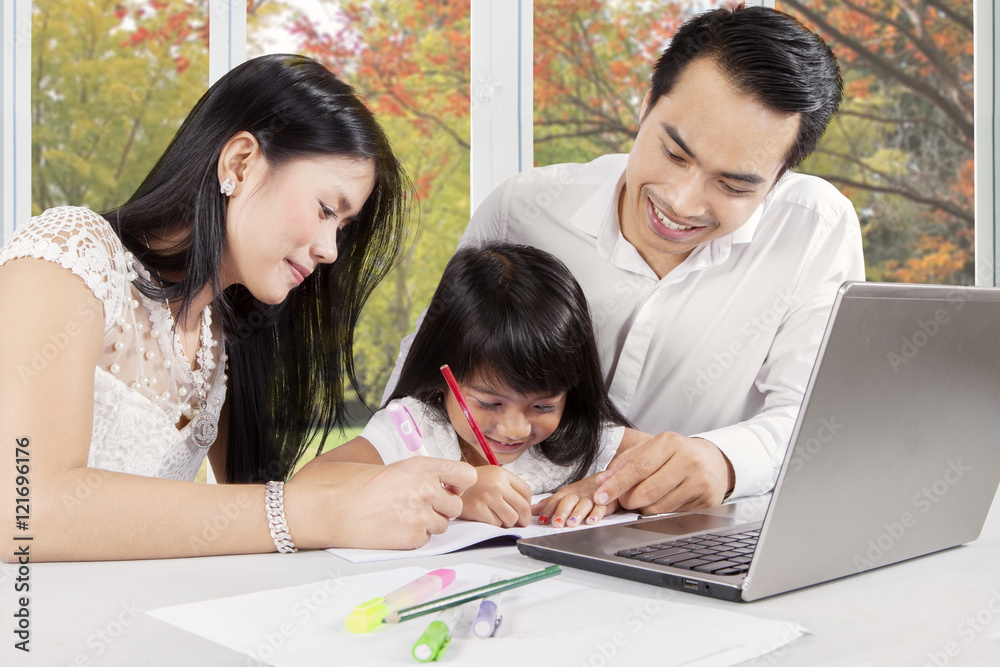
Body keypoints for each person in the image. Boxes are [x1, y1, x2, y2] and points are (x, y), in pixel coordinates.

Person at [384, 6, 865, 516]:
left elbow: (818, 417)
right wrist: (461, 479)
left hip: (688, 536)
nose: (681, 201)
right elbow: (419, 385)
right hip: (510, 532)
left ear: (779, 178)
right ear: (646, 104)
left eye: (732, 184)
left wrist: (725, 462)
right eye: (675, 154)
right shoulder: (522, 211)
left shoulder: (814, 228)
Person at [0, 54, 476, 562]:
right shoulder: (72, 254)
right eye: (325, 210)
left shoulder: (223, 341)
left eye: (341, 227)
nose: (330, 249)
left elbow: (251, 517)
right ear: (241, 162)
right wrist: (314, 510)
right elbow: (26, 514)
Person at [294, 242, 645, 529]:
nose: (514, 428)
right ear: (443, 377)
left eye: (544, 406)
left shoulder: (574, 435)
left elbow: (669, 461)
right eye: (490, 403)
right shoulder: (414, 431)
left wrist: (603, 489)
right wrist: (457, 494)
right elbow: (308, 485)